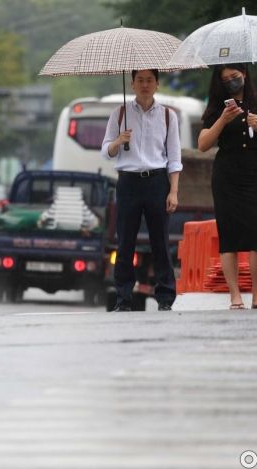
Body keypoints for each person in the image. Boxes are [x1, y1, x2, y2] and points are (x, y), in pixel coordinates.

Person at [198, 63, 257, 310]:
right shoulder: (217, 107)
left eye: (235, 76)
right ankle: (234, 296)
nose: (232, 82)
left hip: (256, 174)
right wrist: (222, 120)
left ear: (244, 74)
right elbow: (203, 144)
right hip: (227, 176)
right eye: (226, 79)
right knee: (229, 236)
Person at [101, 69, 180, 312]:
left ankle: (165, 298)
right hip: (128, 182)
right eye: (140, 80)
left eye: (149, 80)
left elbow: (174, 158)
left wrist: (173, 191)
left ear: (157, 84)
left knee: (160, 242)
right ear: (132, 84)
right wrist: (118, 142)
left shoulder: (168, 116)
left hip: (157, 181)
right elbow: (105, 151)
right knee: (125, 243)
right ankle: (123, 298)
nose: (144, 85)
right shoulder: (120, 113)